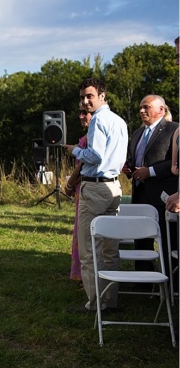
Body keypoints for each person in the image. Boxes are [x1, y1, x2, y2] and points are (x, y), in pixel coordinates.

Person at [64, 77, 129, 314]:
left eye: (89, 96)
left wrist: (75, 150)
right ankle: (110, 300)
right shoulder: (119, 121)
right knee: (109, 249)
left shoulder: (99, 120)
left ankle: (96, 304)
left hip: (95, 188)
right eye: (82, 97)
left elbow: (95, 156)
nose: (85, 101)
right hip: (114, 187)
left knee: (90, 251)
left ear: (102, 95)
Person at [122, 95, 179, 272]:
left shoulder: (173, 129)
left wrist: (151, 171)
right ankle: (143, 278)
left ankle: (171, 279)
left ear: (161, 109)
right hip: (140, 193)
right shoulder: (138, 133)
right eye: (140, 107)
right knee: (141, 237)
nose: (141, 111)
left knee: (168, 238)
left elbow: (173, 162)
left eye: (146, 107)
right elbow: (134, 158)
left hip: (164, 195)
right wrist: (128, 167)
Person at [64, 103, 93, 281]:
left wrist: (68, 184)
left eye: (86, 113)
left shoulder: (92, 137)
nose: (81, 116)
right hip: (79, 189)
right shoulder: (86, 137)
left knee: (84, 232)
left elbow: (83, 165)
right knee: (79, 230)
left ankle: (86, 276)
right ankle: (81, 274)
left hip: (84, 185)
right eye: (80, 113)